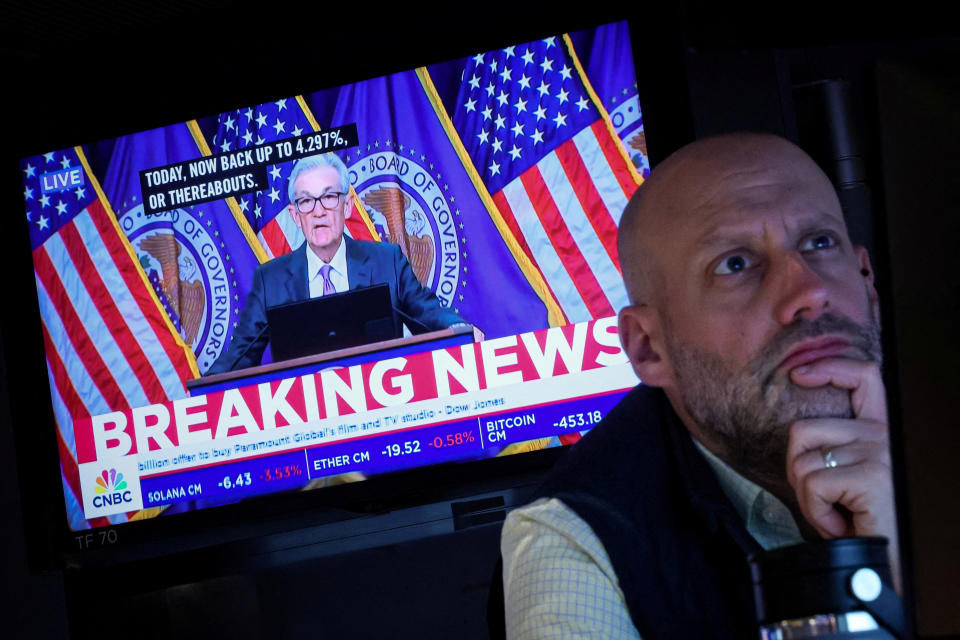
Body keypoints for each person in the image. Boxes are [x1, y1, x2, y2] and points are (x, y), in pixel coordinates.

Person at [499, 133, 898, 638]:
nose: (809, 292)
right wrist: (889, 592)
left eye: (819, 243)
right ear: (648, 347)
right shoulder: (579, 538)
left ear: (867, 280)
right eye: (735, 264)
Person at [207, 153, 464, 374]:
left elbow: (429, 314)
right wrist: (202, 388)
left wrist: (460, 329)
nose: (318, 211)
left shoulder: (387, 261)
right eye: (306, 201)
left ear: (348, 206)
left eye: (329, 197)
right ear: (295, 216)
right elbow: (240, 355)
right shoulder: (270, 281)